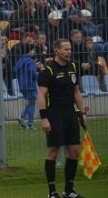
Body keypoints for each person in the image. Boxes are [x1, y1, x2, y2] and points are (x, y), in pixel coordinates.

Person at [37, 39, 90, 198]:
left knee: (74, 151)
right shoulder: (48, 71)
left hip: (70, 114)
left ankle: (69, 190)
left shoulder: (73, 67)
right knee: (53, 151)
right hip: (54, 114)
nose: (69, 51)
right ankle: (52, 192)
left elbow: (76, 92)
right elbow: (41, 95)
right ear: (57, 51)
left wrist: (82, 113)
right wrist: (44, 118)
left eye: (70, 49)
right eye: (66, 49)